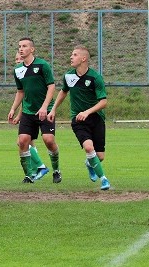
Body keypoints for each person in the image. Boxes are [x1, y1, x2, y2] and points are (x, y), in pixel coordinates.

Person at [48, 45, 111, 190]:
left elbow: (103, 102)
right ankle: (104, 180)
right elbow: (63, 92)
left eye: (75, 54)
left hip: (96, 119)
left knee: (99, 156)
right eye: (71, 54)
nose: (71, 57)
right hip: (78, 119)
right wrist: (53, 110)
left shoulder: (95, 77)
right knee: (89, 148)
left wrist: (88, 112)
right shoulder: (68, 76)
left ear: (83, 59)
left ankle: (90, 164)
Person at [7, 37, 61, 184]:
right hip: (28, 113)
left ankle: (56, 170)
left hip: (45, 111)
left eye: (24, 46)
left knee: (48, 140)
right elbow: (20, 91)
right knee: (23, 141)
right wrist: (13, 109)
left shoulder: (43, 65)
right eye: (19, 46)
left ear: (32, 49)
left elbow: (51, 86)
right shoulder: (17, 70)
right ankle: (29, 175)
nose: (21, 49)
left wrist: (44, 107)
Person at [9, 52, 50, 181]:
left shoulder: (32, 74)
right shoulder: (20, 73)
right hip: (28, 113)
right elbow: (24, 99)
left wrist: (19, 115)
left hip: (35, 113)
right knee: (28, 143)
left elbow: (27, 100)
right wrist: (17, 114)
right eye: (16, 59)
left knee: (22, 142)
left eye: (20, 59)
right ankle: (34, 171)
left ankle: (39, 167)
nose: (17, 61)